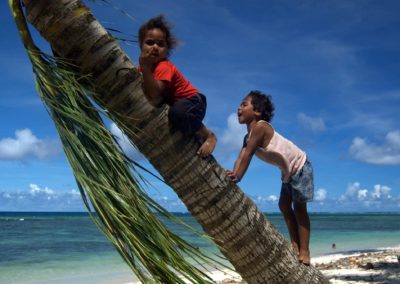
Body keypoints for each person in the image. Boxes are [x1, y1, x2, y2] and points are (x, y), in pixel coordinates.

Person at [226, 90, 314, 265]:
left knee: (299, 208)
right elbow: (241, 156)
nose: (239, 108)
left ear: (257, 111)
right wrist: (232, 174)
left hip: (300, 165)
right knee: (283, 205)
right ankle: (294, 242)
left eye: (244, 104)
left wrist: (238, 177)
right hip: (287, 171)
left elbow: (249, 155)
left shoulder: (261, 127)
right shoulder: (247, 137)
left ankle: (305, 250)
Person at [138, 15, 217, 157]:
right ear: (140, 45)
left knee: (178, 113)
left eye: (161, 44)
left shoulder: (164, 66)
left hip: (194, 101)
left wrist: (145, 66)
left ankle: (209, 135)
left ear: (167, 50)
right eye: (150, 42)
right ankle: (195, 134)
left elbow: (155, 93)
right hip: (181, 104)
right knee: (176, 115)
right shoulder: (145, 69)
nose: (155, 47)